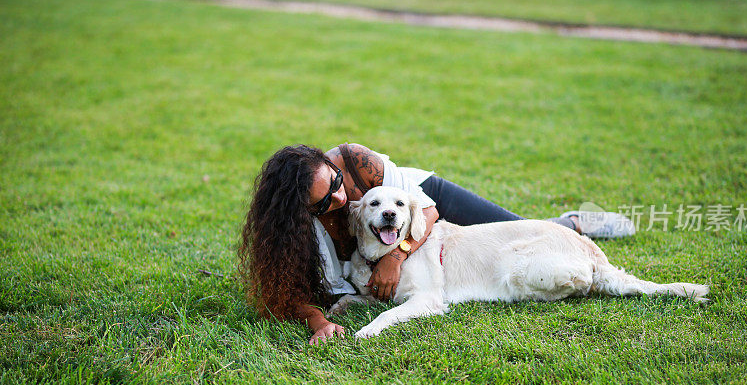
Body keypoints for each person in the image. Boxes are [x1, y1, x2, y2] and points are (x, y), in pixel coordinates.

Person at [239, 144, 634, 345]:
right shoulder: (300, 234)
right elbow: (286, 296)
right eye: (324, 202)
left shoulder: (356, 161)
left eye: (337, 185)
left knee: (516, 228)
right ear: (300, 211)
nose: (339, 201)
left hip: (421, 201)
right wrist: (320, 321)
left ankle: (573, 223)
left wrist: (396, 255)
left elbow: (425, 213)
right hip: (386, 227)